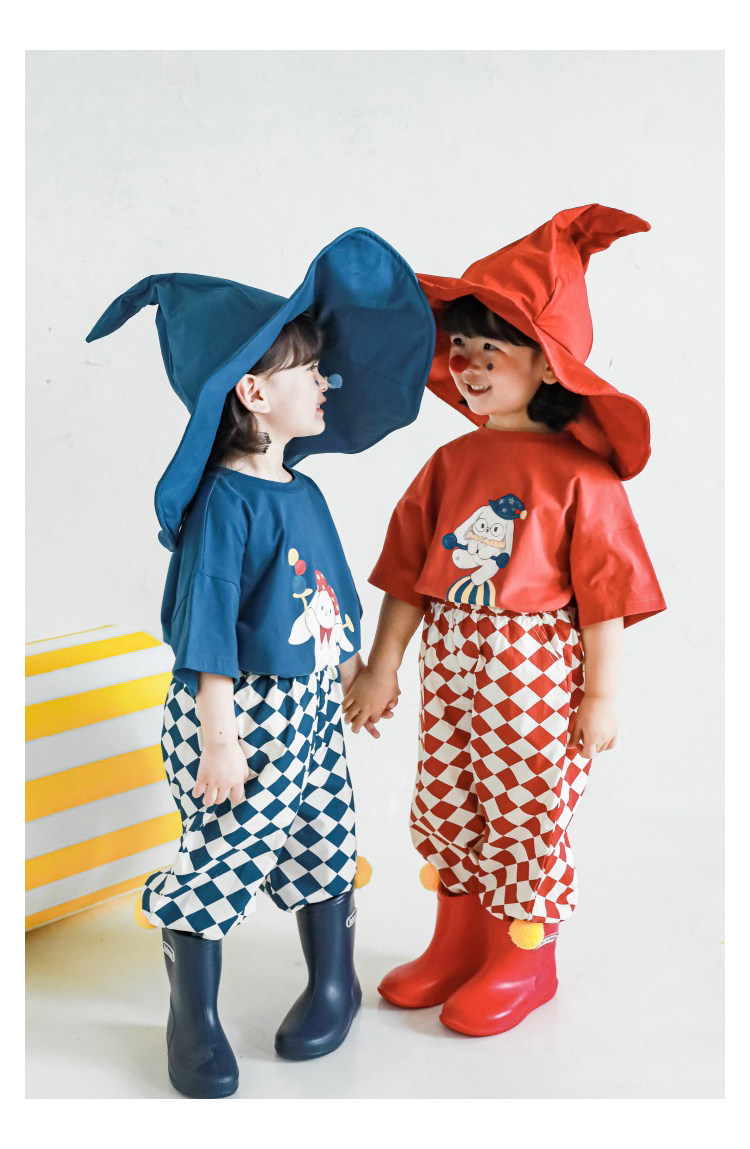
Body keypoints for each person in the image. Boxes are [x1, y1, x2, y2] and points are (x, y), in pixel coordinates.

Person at [85, 228, 435, 1096]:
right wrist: (219, 736)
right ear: (252, 391)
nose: (325, 382)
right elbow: (206, 626)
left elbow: (329, 596)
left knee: (324, 833)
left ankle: (332, 983)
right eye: (307, 370)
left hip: (311, 707)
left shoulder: (302, 490)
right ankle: (193, 1015)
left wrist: (355, 675)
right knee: (225, 848)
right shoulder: (225, 502)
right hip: (241, 712)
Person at [342, 205, 667, 1038]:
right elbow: (408, 576)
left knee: (524, 802)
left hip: (534, 668)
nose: (469, 366)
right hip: (451, 657)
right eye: (460, 348)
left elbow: (605, 595)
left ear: (548, 365)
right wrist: (382, 665)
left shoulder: (582, 476)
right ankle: (458, 941)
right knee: (448, 793)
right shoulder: (450, 463)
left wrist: (601, 696)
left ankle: (524, 957)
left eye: (492, 350)